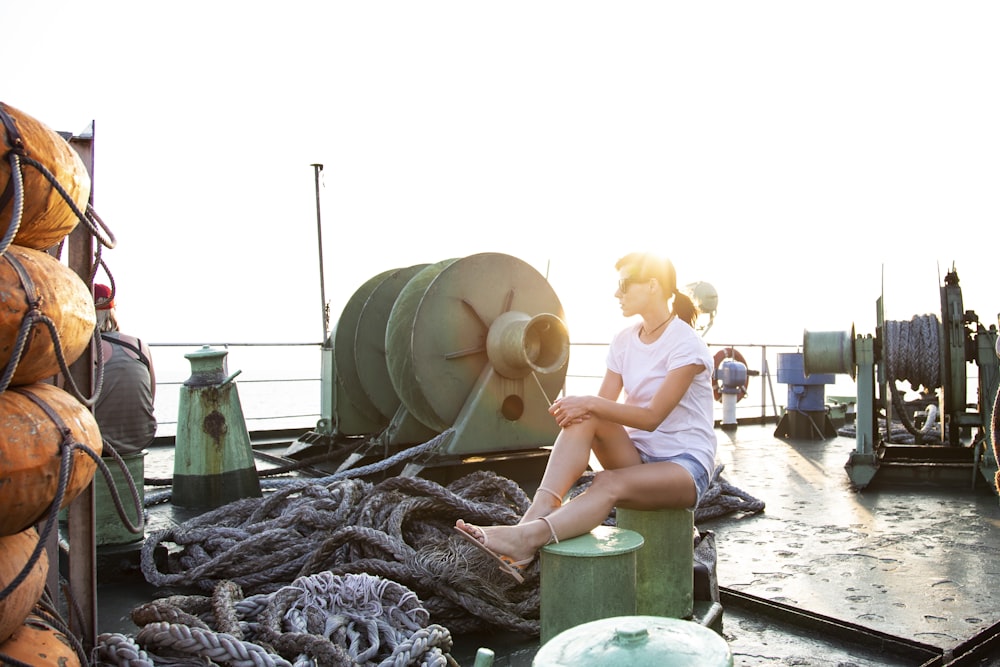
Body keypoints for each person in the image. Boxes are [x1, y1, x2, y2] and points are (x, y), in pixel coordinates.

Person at [455, 252, 717, 582]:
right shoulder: (624, 340)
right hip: (637, 457)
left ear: (652, 286)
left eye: (624, 285)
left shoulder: (686, 344)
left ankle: (527, 539)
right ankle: (535, 515)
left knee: (606, 482)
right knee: (584, 418)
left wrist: (587, 403)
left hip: (684, 466)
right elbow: (602, 407)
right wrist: (578, 409)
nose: (616, 294)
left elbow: (652, 417)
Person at [93, 283, 157, 456]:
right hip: (142, 436)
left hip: (99, 443)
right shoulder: (139, 345)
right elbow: (151, 397)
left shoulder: (85, 348)